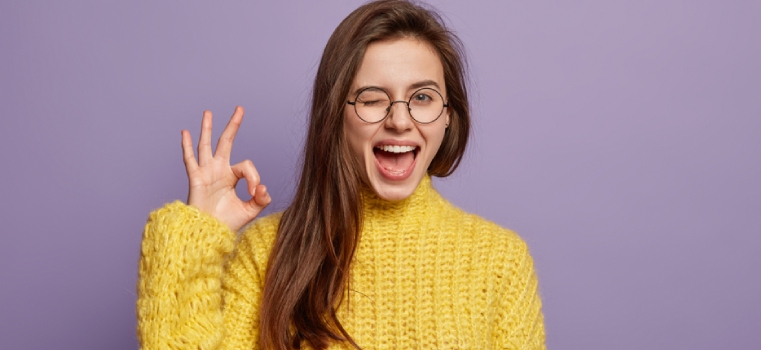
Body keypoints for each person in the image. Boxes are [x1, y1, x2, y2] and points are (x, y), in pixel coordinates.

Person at [136, 1, 545, 349]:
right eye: (372, 98)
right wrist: (194, 237)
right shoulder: (267, 254)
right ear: (336, 116)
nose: (399, 120)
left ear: (448, 117)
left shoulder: (501, 261)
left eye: (422, 97)